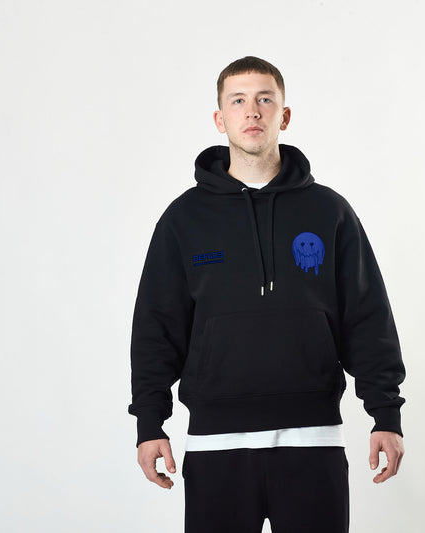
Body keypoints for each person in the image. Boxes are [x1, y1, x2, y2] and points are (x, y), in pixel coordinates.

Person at [128, 56, 406, 533]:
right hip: (216, 445)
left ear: (284, 115)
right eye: (238, 101)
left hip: (313, 441)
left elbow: (367, 316)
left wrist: (386, 415)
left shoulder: (330, 212)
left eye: (264, 99)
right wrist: (149, 424)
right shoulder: (183, 219)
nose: (252, 111)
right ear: (220, 119)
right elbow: (157, 327)